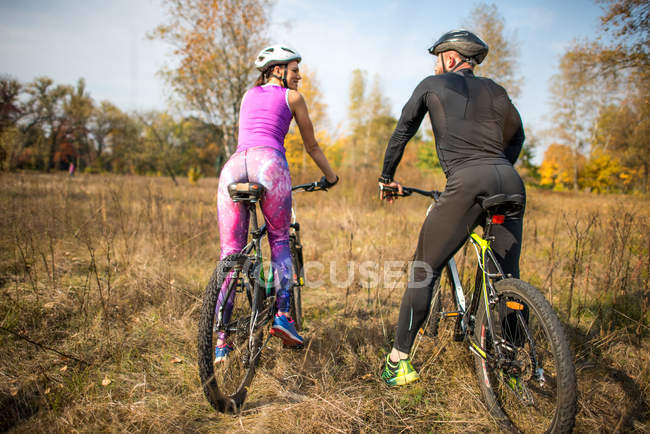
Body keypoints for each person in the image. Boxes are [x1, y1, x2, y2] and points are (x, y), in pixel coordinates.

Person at [378, 30, 526, 386]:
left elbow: (402, 132)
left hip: (467, 182)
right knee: (506, 275)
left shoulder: (433, 83)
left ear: (449, 57)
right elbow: (518, 136)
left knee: (423, 269)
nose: (435, 63)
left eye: (437, 56)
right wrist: (497, 168)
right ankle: (513, 360)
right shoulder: (497, 91)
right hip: (510, 181)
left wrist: (386, 178)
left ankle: (398, 360)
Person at [215, 45, 339, 361]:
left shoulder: (247, 95)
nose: (299, 75)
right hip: (268, 164)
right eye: (294, 69)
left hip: (233, 167)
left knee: (230, 253)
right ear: (277, 70)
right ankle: (283, 315)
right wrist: (331, 176)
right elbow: (311, 145)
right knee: (279, 239)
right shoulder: (292, 98)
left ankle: (219, 338)